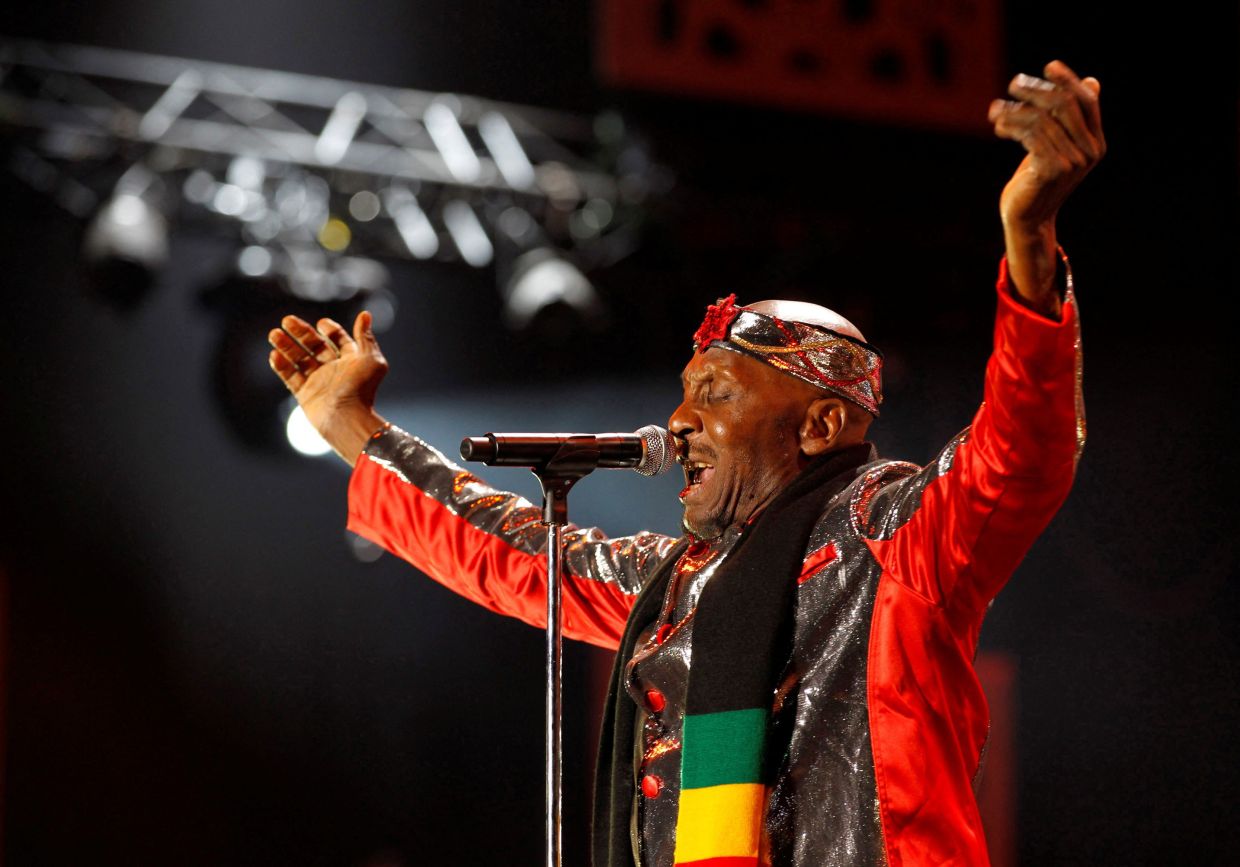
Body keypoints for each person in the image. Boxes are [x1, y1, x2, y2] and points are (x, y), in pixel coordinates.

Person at [268, 60, 1104, 867]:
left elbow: (1018, 453)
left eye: (717, 393)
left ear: (818, 424)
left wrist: (1029, 244)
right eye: (683, 390)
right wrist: (358, 432)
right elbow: (507, 549)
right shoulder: (672, 587)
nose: (678, 419)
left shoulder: (895, 541)